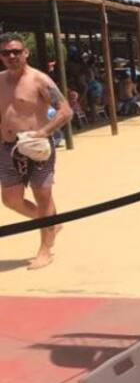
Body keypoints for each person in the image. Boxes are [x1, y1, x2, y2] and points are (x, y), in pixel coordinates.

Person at [0, 33, 73, 269]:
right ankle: (51, 222)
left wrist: (44, 132)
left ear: (26, 53)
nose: (11, 56)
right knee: (11, 199)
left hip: (36, 148)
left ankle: (45, 249)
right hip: (8, 148)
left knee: (43, 196)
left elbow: (65, 111)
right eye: (6, 52)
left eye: (16, 51)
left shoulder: (39, 80)